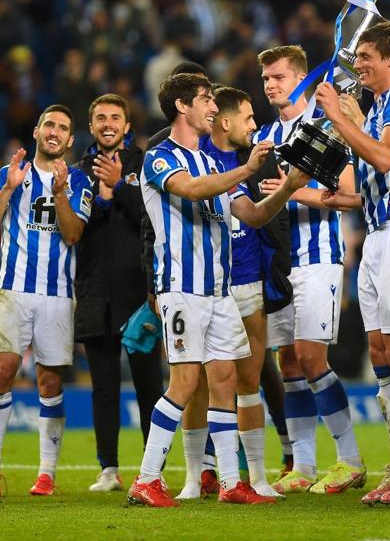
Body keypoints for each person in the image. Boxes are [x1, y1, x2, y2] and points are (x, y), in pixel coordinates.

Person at [128, 73, 309, 508]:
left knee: (226, 379)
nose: (212, 108)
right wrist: (246, 169)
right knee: (186, 381)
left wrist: (289, 186)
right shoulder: (158, 158)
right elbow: (188, 191)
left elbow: (252, 215)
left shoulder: (213, 165)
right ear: (181, 107)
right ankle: (147, 478)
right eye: (205, 100)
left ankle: (230, 483)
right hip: (182, 289)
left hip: (219, 291)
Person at [315, 21, 390, 505]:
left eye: (366, 56)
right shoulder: (377, 108)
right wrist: (335, 193)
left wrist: (341, 117)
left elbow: (387, 157)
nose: (359, 64)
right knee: (380, 349)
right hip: (376, 237)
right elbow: (369, 179)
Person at [254, 44, 365, 495]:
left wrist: (289, 191)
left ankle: (351, 460)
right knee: (288, 364)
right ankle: (302, 464)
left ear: (300, 78)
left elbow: (351, 193)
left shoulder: (320, 128)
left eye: (279, 77)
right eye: (265, 79)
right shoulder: (261, 134)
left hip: (318, 256)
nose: (271, 86)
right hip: (279, 264)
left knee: (310, 356)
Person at [0, 105, 92, 498]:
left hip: (58, 293)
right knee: (3, 371)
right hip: (13, 289)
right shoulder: (11, 175)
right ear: (37, 131)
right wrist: (8, 187)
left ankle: (47, 474)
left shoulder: (79, 181)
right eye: (50, 125)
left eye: (63, 127)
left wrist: (60, 194)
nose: (55, 132)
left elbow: (74, 234)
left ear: (70, 139)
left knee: (50, 381)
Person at [196, 86, 290, 499]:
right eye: (249, 118)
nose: (255, 125)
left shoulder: (257, 164)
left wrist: (286, 188)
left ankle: (257, 477)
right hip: (202, 285)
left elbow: (257, 219)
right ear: (226, 122)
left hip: (249, 279)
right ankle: (197, 474)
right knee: (197, 382)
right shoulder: (190, 160)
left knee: (249, 381)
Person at [74, 93, 164, 493]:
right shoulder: (77, 171)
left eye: (115, 117)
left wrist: (119, 188)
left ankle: (152, 468)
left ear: (127, 126)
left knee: (149, 385)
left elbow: (154, 216)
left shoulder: (145, 164)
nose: (107, 123)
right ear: (91, 126)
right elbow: (73, 230)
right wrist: (100, 198)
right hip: (94, 290)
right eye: (100, 118)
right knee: (104, 386)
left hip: (138, 292)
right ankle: (108, 468)